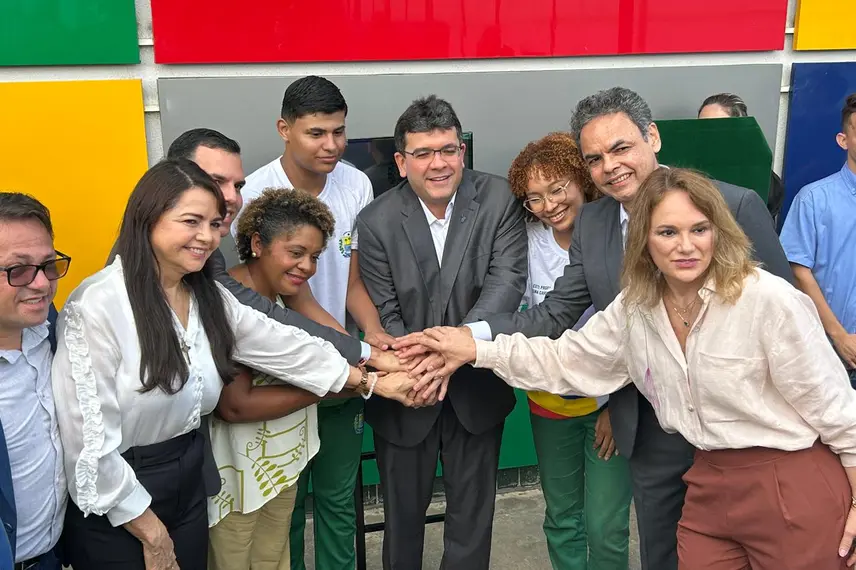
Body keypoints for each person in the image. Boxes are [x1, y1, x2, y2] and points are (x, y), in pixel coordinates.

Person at [397, 87, 792, 570]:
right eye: (595, 158)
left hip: (741, 430)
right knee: (662, 553)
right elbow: (555, 314)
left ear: (652, 137)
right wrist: (472, 337)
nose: (611, 166)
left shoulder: (732, 205)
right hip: (650, 425)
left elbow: (790, 328)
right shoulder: (596, 222)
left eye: (621, 148)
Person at [416, 167, 856, 570]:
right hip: (708, 479)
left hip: (789, 481)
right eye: (667, 232)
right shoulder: (637, 307)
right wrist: (476, 349)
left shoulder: (767, 300)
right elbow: (567, 360)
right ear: (643, 239)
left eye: (699, 229)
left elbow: (838, 410)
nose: (686, 246)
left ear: (718, 232)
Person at [52, 159, 417, 570]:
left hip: (190, 476)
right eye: (191, 222)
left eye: (213, 224)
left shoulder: (205, 294)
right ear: (147, 218)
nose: (207, 237)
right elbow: (89, 447)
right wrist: (151, 532)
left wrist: (369, 377)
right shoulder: (98, 305)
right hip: (123, 495)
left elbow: (281, 342)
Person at [136, 129, 403, 502]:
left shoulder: (209, 261)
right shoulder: (117, 291)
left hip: (205, 466)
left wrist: (365, 360)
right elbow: (255, 334)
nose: (230, 197)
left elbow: (287, 320)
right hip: (157, 471)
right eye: (214, 181)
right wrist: (362, 376)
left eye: (237, 185)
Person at [357, 95, 528, 569]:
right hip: (406, 390)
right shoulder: (376, 221)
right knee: (401, 523)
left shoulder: (498, 200)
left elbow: (506, 284)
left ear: (462, 151)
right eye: (423, 153)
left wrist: (456, 351)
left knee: (472, 522)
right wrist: (428, 366)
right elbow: (386, 311)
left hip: (476, 388)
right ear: (401, 161)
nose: (438, 163)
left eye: (448, 150)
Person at [233, 76, 391, 570]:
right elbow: (277, 299)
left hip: (343, 365)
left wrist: (373, 333)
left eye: (339, 132)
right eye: (316, 133)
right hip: (278, 371)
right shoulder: (252, 194)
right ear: (284, 129)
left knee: (339, 500)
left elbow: (352, 282)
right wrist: (358, 355)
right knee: (285, 508)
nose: (331, 145)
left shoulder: (356, 184)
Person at [508, 132, 632, 569]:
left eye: (558, 188)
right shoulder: (525, 243)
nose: (549, 204)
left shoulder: (616, 232)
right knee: (562, 517)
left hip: (611, 404)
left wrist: (619, 404)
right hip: (550, 401)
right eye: (535, 197)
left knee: (606, 525)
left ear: (581, 179)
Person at [207, 188, 347, 569]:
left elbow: (340, 347)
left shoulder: (288, 296)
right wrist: (327, 386)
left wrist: (373, 365)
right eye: (296, 252)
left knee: (274, 559)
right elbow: (235, 405)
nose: (307, 267)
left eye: (314, 257)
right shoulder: (231, 303)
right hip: (238, 481)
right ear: (257, 244)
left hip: (283, 467)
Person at [0, 193, 69, 570]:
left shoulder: (50, 327)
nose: (42, 284)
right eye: (19, 269)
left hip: (52, 557)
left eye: (47, 264)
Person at [780, 93, 856, 387]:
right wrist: (839, 336)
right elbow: (798, 273)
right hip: (827, 352)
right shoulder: (813, 199)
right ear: (843, 140)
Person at [697, 92, 785, 225]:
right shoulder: (686, 167)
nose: (709, 133)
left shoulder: (763, 178)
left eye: (718, 126)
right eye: (703, 126)